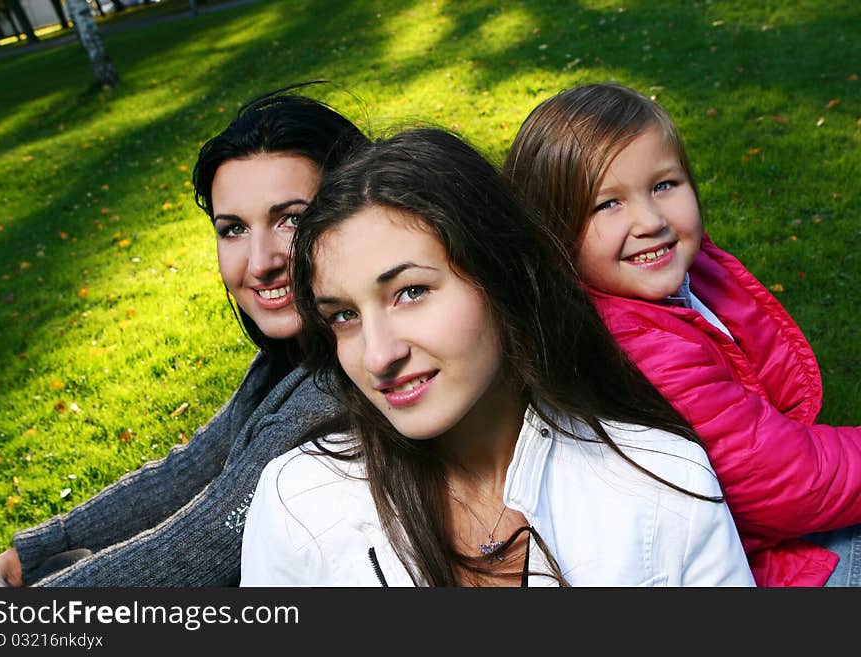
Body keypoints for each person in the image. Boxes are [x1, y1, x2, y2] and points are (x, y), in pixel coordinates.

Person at [239, 127, 754, 586]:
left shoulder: (663, 481)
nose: (378, 356)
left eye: (412, 292)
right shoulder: (298, 502)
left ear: (504, 277)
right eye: (344, 316)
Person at [0, 83, 369, 587]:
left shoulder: (340, 387)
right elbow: (191, 468)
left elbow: (205, 542)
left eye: (291, 220)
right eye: (233, 229)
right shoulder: (292, 358)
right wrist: (36, 551)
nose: (260, 262)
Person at [503, 82, 861, 587]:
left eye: (664, 185)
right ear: (553, 233)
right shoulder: (639, 346)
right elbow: (782, 484)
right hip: (761, 567)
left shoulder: (669, 283)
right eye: (607, 204)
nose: (650, 220)